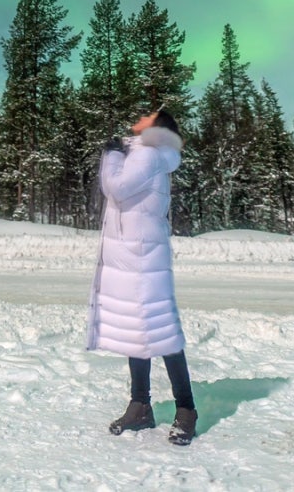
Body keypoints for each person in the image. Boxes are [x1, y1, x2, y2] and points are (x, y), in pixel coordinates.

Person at [86, 107, 197, 446]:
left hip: (141, 257)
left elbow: (117, 189)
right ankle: (140, 406)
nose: (140, 118)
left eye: (148, 117)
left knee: (159, 330)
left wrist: (111, 156)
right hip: (135, 255)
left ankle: (186, 410)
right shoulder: (144, 153)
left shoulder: (146, 154)